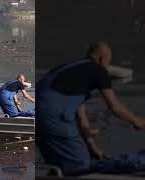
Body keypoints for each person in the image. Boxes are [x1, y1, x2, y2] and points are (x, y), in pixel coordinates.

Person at [37, 41, 145, 176]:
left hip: (33, 117)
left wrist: (92, 147)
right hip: (52, 117)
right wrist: (137, 121)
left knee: (61, 164)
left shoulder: (72, 72)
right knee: (81, 167)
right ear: (101, 59)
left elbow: (82, 121)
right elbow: (115, 107)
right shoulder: (98, 69)